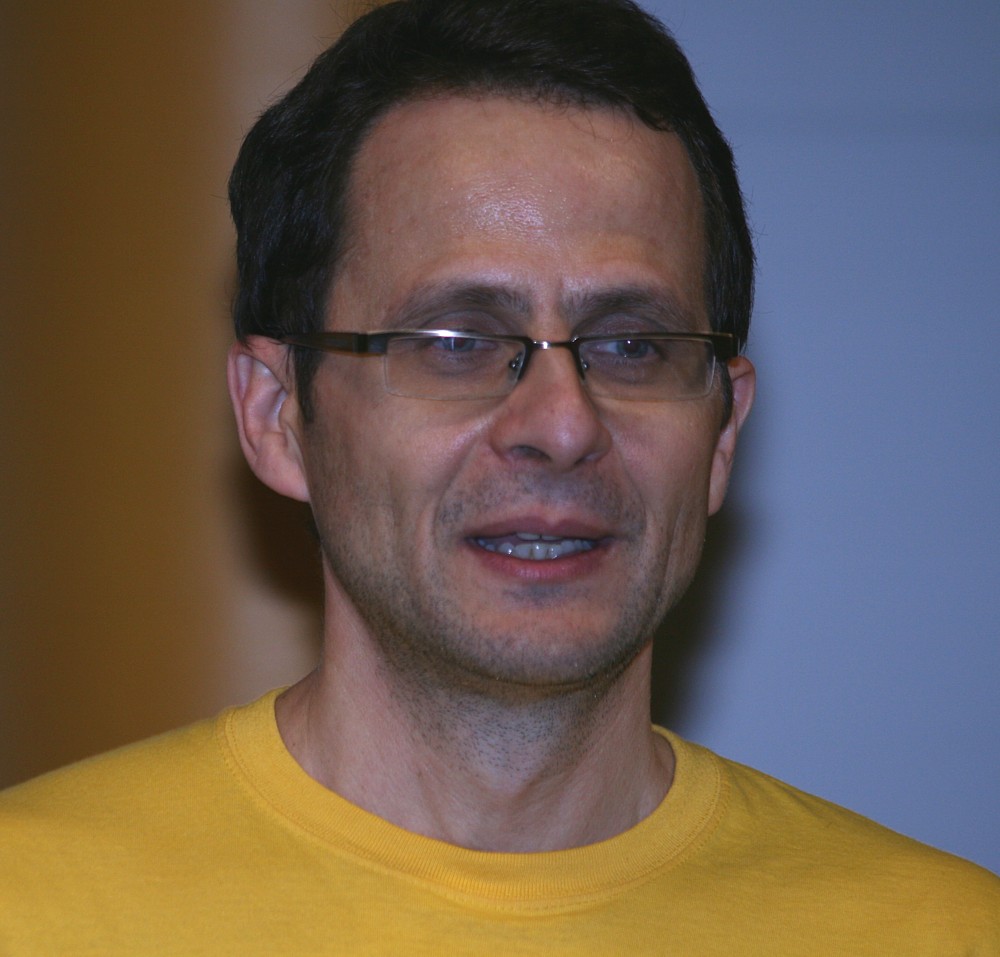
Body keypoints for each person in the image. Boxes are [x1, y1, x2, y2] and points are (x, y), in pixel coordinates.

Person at [1, 0, 997, 952]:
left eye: (633, 346)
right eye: (456, 341)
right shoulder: (30, 907)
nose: (562, 426)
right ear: (277, 415)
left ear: (723, 430)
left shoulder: (942, 935)